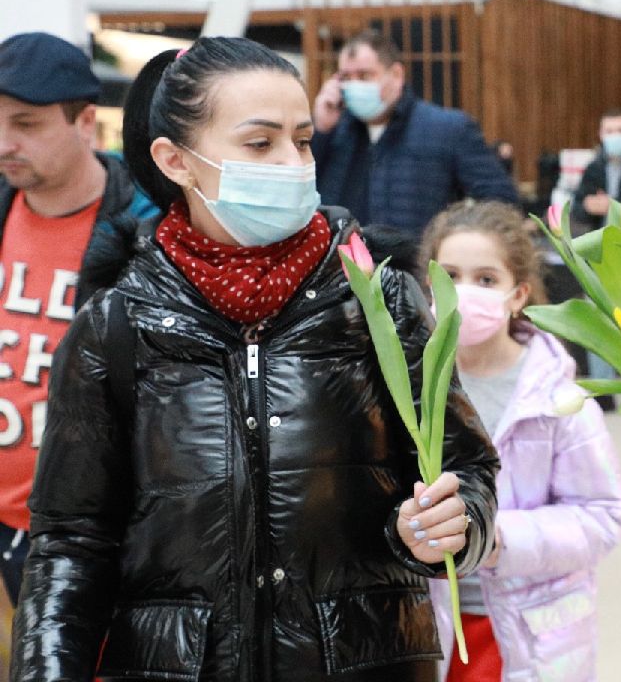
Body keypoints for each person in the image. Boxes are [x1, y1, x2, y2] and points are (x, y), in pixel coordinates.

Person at [10, 37, 499, 682]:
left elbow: (467, 468)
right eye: (260, 143)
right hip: (180, 665)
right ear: (175, 161)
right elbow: (71, 540)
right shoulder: (117, 323)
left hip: (359, 660)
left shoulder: (375, 301)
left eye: (303, 140)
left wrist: (454, 523)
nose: (293, 164)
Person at [422, 201, 621, 682]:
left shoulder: (557, 398)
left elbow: (603, 515)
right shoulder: (410, 387)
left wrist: (496, 539)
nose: (463, 292)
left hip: (527, 636)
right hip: (429, 630)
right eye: (449, 276)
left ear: (518, 295)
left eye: (485, 279)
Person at [0, 32, 157, 614]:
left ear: (86, 122)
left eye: (26, 124)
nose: (5, 143)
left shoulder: (145, 229)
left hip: (88, 532)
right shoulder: (2, 207)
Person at [311, 30, 518, 237]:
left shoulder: (447, 129)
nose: (354, 85)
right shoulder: (333, 130)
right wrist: (320, 131)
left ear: (396, 75)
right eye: (346, 77)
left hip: (418, 255)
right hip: (343, 255)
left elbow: (500, 204)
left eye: (365, 75)